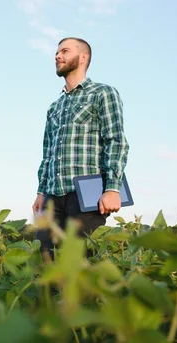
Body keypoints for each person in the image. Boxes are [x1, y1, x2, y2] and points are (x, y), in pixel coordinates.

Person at [33, 37, 129, 260]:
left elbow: (115, 140)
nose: (58, 56)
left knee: (78, 262)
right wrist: (40, 191)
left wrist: (113, 188)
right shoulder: (55, 106)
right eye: (57, 52)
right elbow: (48, 152)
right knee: (44, 259)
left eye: (64, 51)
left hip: (87, 192)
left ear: (83, 57)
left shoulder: (103, 93)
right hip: (51, 195)